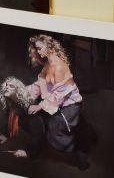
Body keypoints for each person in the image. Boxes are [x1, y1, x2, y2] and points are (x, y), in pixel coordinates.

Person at [27, 34, 89, 169]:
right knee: (47, 127)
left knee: (57, 135)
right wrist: (29, 92)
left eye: (39, 48)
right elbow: (41, 79)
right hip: (58, 102)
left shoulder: (59, 66)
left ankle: (80, 154)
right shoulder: (49, 63)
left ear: (49, 46)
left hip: (71, 106)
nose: (38, 52)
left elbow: (58, 95)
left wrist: (40, 105)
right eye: (36, 49)